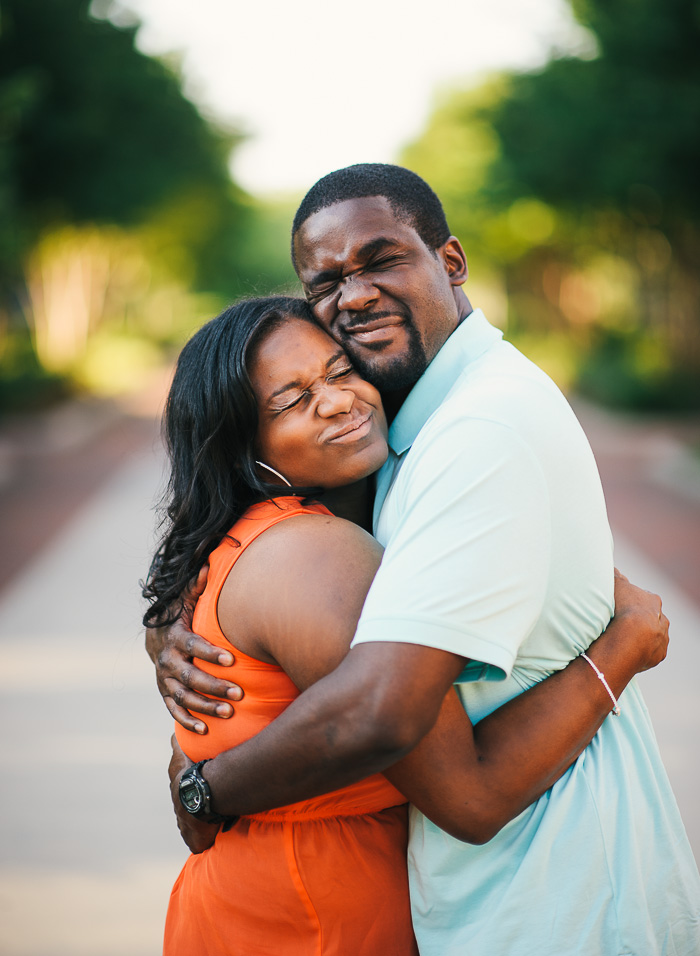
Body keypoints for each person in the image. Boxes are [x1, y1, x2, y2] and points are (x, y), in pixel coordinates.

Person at [148, 165, 700, 954]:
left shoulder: (478, 428)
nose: (356, 295)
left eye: (381, 260)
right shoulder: (413, 422)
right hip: (450, 893)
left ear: (450, 260)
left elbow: (384, 715)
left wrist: (207, 786)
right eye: (327, 282)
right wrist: (175, 631)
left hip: (555, 891)